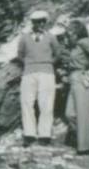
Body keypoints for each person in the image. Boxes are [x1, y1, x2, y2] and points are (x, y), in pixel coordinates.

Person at [17, 10, 62, 147]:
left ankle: (44, 135)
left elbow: (58, 54)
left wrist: (47, 64)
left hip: (47, 73)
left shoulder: (51, 37)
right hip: (28, 72)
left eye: (43, 21)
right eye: (37, 21)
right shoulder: (24, 37)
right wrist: (29, 64)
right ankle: (29, 134)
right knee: (27, 102)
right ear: (33, 23)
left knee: (46, 103)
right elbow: (20, 55)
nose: (41, 24)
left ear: (46, 22)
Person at [65, 20, 89, 156]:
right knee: (70, 113)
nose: (68, 34)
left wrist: (87, 67)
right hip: (74, 78)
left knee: (83, 114)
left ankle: (84, 149)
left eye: (70, 31)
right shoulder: (74, 46)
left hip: (83, 77)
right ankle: (81, 140)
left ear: (77, 31)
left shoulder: (83, 41)